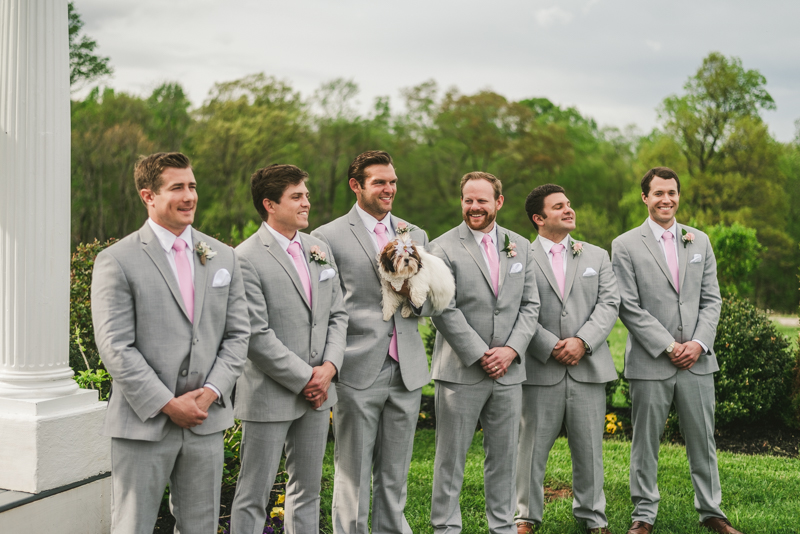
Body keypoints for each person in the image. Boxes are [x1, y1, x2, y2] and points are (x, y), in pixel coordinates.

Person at [91, 152, 250, 533]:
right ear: (148, 196)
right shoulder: (117, 260)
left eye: (192, 186)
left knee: (201, 526)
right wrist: (166, 403)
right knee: (133, 525)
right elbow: (115, 346)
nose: (190, 195)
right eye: (177, 187)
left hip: (205, 420)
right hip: (143, 423)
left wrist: (211, 392)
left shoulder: (222, 256)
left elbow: (238, 334)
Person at [611, 167, 742, 534]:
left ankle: (712, 511)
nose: (665, 199)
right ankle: (643, 514)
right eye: (658, 193)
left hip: (698, 363)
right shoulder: (625, 244)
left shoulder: (699, 240)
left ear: (678, 196)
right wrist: (669, 346)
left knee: (704, 439)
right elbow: (628, 306)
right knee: (645, 443)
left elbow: (711, 300)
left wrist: (698, 344)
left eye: (672, 192)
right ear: (645, 198)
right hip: (651, 361)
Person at [312, 150, 435, 534]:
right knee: (352, 473)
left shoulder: (415, 234)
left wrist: (412, 292)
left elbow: (428, 301)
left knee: (395, 473)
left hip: (407, 368)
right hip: (357, 367)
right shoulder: (326, 237)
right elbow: (326, 307)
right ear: (356, 185)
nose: (389, 189)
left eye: (393, 181)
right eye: (380, 182)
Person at [230, 164, 348, 534]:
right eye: (296, 196)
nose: (306, 203)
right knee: (253, 494)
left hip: (320, 392)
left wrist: (329, 368)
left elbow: (338, 314)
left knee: (308, 489)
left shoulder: (319, 247)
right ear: (269, 204)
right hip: (270, 393)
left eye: (306, 195)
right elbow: (255, 335)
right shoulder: (244, 256)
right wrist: (305, 379)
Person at [427, 171, 540, 534]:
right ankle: (445, 527)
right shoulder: (441, 247)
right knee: (450, 458)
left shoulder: (520, 245)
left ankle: (502, 527)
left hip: (509, 371)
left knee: (504, 457)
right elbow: (444, 307)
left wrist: (510, 350)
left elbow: (530, 305)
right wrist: (481, 353)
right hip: (460, 371)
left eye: (482, 200)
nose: (474, 207)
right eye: (468, 200)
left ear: (499, 202)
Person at [515, 184, 620, 534]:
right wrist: (550, 345)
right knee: (530, 448)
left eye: (569, 204)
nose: (569, 210)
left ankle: (593, 518)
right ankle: (526, 517)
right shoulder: (519, 257)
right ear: (539, 218)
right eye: (559, 206)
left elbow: (609, 304)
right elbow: (516, 309)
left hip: (587, 366)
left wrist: (582, 342)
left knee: (590, 449)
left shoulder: (596, 256)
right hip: (539, 367)